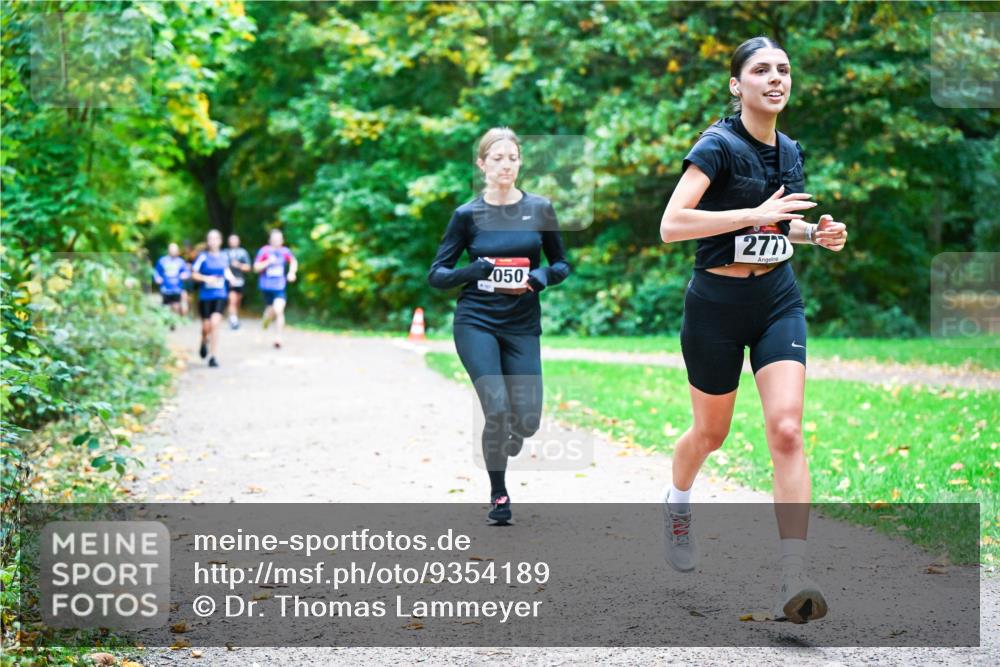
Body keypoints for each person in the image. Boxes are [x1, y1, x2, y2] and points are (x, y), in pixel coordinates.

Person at [658, 36, 848, 623]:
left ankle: (794, 574)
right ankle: (679, 501)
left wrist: (814, 236)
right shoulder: (715, 146)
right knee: (710, 435)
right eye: (761, 70)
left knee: (787, 429)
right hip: (715, 304)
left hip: (776, 299)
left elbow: (775, 229)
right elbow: (672, 225)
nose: (776, 79)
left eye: (784, 70)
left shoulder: (789, 150)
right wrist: (753, 213)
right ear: (737, 84)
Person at [428, 127, 571, 524]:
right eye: (497, 158)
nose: (505, 165)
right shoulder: (467, 215)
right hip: (476, 321)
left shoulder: (540, 209)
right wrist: (473, 270)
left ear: (519, 162)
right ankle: (499, 494)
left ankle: (506, 438)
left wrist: (539, 278)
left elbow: (561, 263)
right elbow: (437, 274)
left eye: (512, 158)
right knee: (497, 408)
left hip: (522, 324)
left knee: (525, 421)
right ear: (482, 164)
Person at [191, 229, 236, 368]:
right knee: (206, 327)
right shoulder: (203, 257)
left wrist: (231, 277)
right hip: (205, 296)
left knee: (215, 323)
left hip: (220, 294)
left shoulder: (224, 256)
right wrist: (206, 278)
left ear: (220, 241)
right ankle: (204, 340)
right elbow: (194, 274)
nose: (213, 241)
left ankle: (213, 356)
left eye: (216, 238)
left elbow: (226, 270)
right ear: (208, 241)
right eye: (210, 239)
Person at [253, 229, 297, 349]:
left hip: (279, 287)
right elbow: (256, 268)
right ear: (270, 240)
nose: (277, 241)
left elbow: (293, 261)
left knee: (279, 310)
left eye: (279, 239)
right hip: (266, 287)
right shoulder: (264, 251)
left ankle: (278, 338)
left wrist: (292, 272)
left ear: (282, 240)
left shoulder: (285, 251)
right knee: (269, 312)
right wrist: (267, 262)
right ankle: (264, 325)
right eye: (274, 239)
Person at [153, 243, 191, 321]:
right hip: (165, 288)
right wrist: (157, 278)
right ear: (168, 250)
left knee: (175, 306)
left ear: (177, 251)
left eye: (175, 250)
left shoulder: (181, 262)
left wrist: (185, 275)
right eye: (171, 250)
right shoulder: (162, 261)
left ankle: (173, 321)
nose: (173, 252)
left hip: (177, 288)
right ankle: (168, 321)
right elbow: (156, 272)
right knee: (166, 307)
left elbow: (187, 272)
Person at [224, 234, 252, 330]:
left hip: (240, 280)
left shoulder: (243, 253)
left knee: (237, 301)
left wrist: (239, 265)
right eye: (231, 240)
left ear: (238, 241)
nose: (233, 242)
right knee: (232, 300)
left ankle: (234, 317)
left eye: (235, 240)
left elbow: (248, 267)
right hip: (228, 281)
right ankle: (233, 320)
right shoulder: (225, 253)